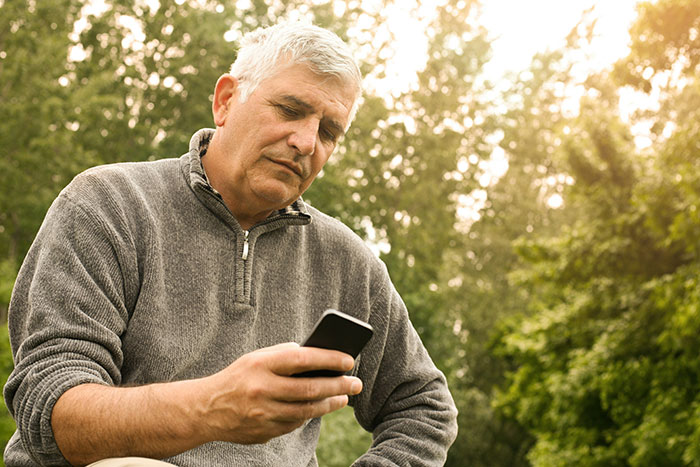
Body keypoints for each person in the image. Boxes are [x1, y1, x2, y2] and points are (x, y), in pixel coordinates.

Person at [3, 21, 458, 466]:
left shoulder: (347, 261)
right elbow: (49, 411)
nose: (305, 142)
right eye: (290, 109)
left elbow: (424, 408)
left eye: (328, 132)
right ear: (225, 101)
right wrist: (215, 406)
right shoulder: (108, 205)